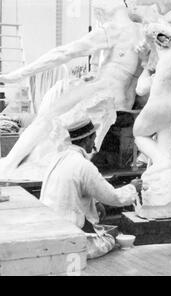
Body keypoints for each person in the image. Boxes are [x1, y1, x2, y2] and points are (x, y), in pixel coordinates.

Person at [0, 0, 144, 177]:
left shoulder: (114, 30)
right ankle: (12, 164)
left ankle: (9, 165)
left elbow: (63, 53)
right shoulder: (141, 32)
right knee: (52, 118)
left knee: (45, 120)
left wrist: (19, 74)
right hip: (118, 97)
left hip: (102, 93)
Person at [40, 118, 141, 258]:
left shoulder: (58, 158)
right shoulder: (83, 165)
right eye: (93, 138)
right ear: (87, 139)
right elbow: (113, 197)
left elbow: (76, 188)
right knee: (110, 238)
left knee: (100, 230)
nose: (94, 143)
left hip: (49, 228)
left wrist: (96, 203)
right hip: (67, 234)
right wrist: (133, 188)